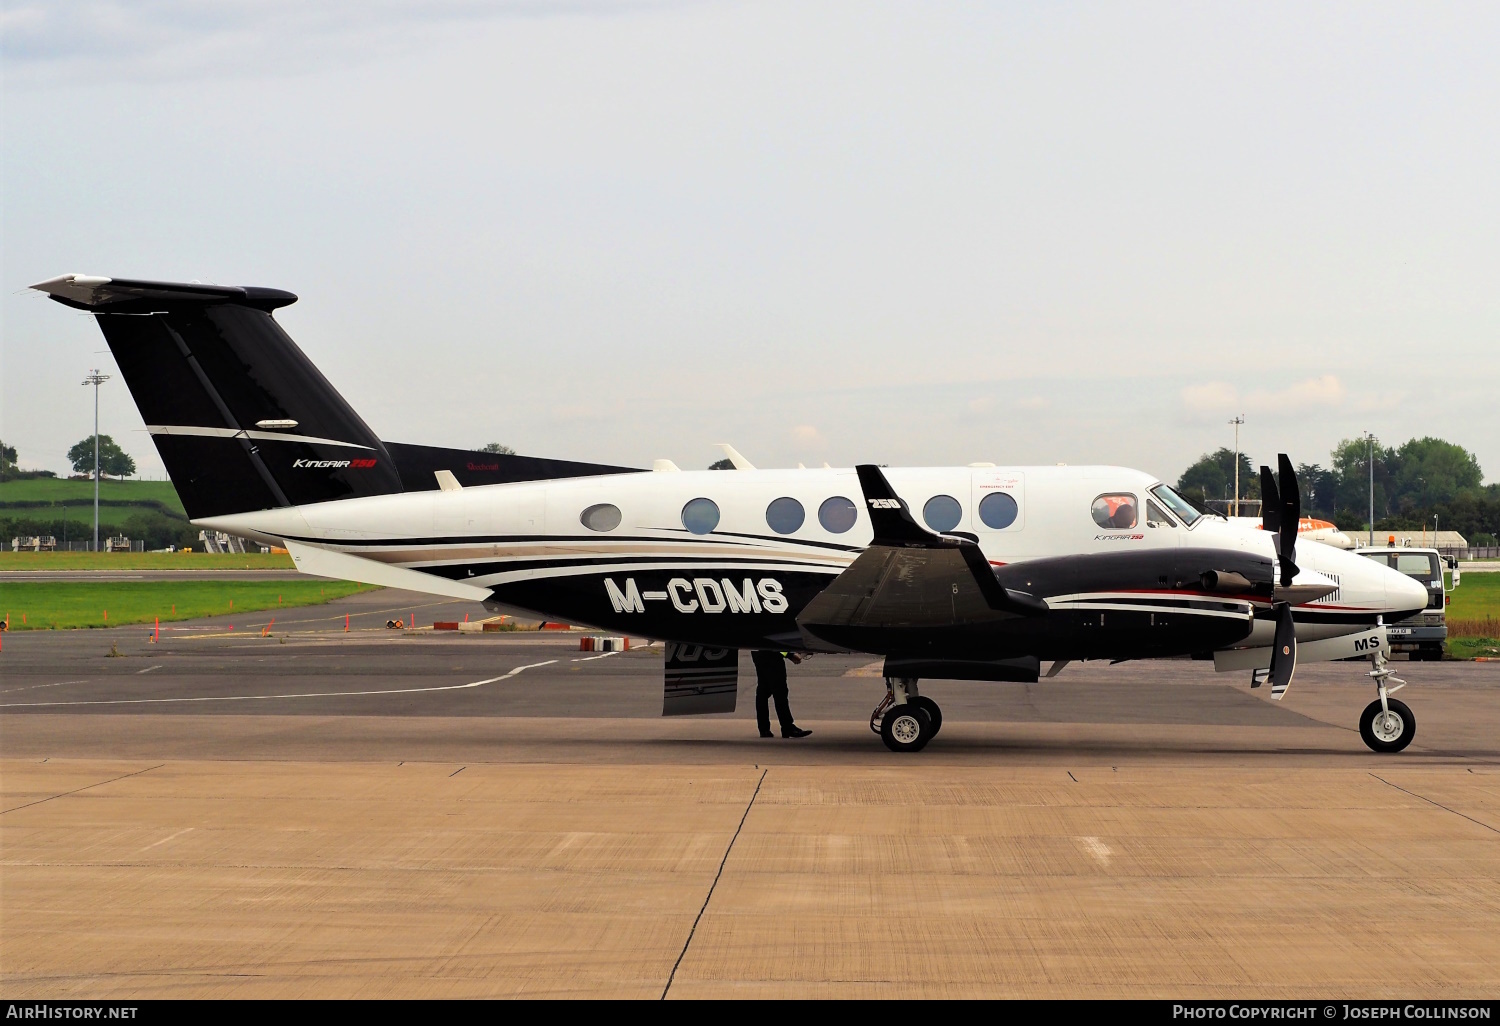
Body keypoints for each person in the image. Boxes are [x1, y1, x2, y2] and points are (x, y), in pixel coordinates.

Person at [750, 649, 811, 739]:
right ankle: (787, 727)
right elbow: (775, 644)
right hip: (771, 657)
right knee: (780, 693)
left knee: (763, 691)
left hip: (758, 653)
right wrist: (790, 655)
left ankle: (764, 729)